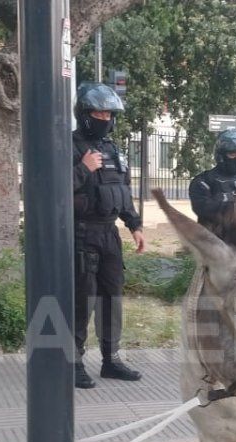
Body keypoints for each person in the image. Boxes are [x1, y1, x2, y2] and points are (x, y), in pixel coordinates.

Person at [71, 82, 145, 389]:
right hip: (80, 233)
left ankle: (110, 361)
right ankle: (72, 362)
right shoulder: (68, 145)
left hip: (109, 235)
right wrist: (82, 168)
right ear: (85, 113)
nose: (105, 118)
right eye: (99, 112)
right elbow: (50, 191)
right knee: (81, 301)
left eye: (109, 113)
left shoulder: (113, 150)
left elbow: (123, 192)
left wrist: (135, 225)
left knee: (111, 299)